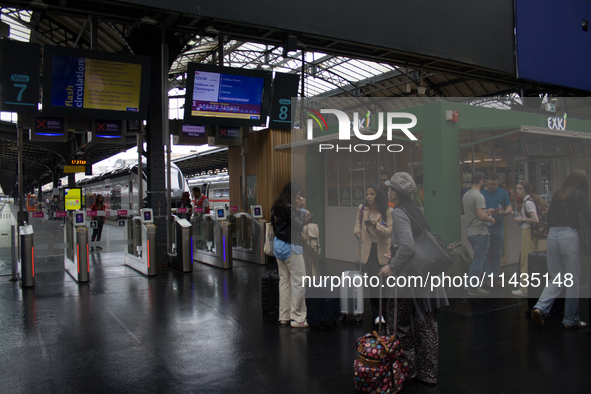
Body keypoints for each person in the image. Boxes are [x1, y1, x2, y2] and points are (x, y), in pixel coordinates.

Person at [379, 172, 448, 385]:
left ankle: (407, 369)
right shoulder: (415, 210)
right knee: (426, 322)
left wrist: (393, 265)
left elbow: (408, 245)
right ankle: (428, 373)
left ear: (395, 192)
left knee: (397, 322)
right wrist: (398, 253)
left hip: (408, 278)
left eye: (390, 187)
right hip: (424, 274)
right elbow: (413, 244)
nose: (388, 190)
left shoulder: (399, 212)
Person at [532, 170, 590, 329]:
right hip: (569, 236)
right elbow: (588, 217)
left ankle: (540, 307)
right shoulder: (580, 194)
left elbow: (549, 217)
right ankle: (571, 319)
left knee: (555, 277)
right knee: (572, 280)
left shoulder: (557, 194)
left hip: (553, 236)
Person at [271, 182, 310, 328]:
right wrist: (302, 210)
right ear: (292, 194)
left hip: (279, 247)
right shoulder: (288, 208)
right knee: (298, 282)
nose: (299, 197)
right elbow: (298, 225)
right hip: (291, 248)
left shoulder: (277, 207)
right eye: (298, 194)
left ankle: (284, 316)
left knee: (284, 282)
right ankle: (298, 317)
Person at [353, 182, 393, 325]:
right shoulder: (363, 209)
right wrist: (357, 231)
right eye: (367, 194)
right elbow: (358, 222)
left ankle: (386, 312)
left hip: (383, 249)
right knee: (374, 282)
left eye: (372, 194)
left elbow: (390, 232)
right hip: (368, 250)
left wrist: (376, 226)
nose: (368, 197)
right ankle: (376, 314)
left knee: (385, 283)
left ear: (378, 195)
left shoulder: (388, 211)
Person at [511, 181, 547, 297]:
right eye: (517, 188)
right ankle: (530, 285)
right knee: (530, 259)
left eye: (521, 188)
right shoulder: (529, 201)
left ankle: (524, 288)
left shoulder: (527, 202)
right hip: (532, 233)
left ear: (526, 190)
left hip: (528, 232)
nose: (518, 191)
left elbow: (535, 219)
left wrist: (522, 220)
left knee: (525, 260)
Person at [462, 172, 495, 296]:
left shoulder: (466, 195)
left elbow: (476, 212)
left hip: (470, 231)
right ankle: (473, 287)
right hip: (480, 232)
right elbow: (482, 217)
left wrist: (486, 211)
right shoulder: (479, 196)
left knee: (476, 259)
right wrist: (491, 219)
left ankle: (469, 283)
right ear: (482, 181)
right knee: (479, 261)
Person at [481, 172, 512, 284]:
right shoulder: (481, 194)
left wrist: (504, 213)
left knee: (497, 252)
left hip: (499, 226)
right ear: (486, 182)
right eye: (491, 184)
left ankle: (495, 274)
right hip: (485, 227)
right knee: (486, 251)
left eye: (495, 184)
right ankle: (486, 275)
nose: (493, 186)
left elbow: (509, 207)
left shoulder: (502, 193)